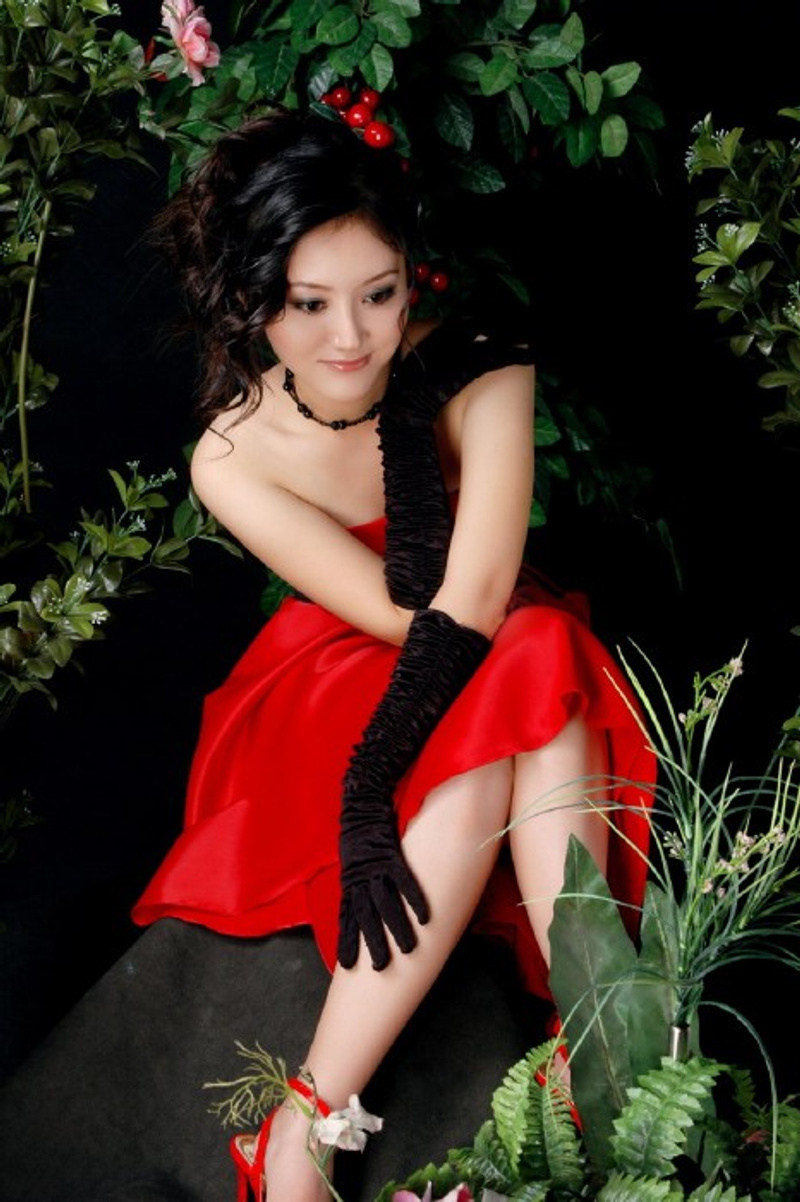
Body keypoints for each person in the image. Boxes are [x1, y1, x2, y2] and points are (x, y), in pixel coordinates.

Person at [131, 108, 654, 1202]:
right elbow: (400, 609)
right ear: (252, 297)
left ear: (411, 272)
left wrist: (415, 404)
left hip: (494, 637)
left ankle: (581, 1060)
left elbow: (478, 592)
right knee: (533, 661)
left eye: (378, 293)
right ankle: (327, 1120)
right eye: (307, 304)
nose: (351, 338)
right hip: (341, 673)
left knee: (536, 651)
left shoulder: (478, 362)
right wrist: (366, 780)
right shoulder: (229, 454)